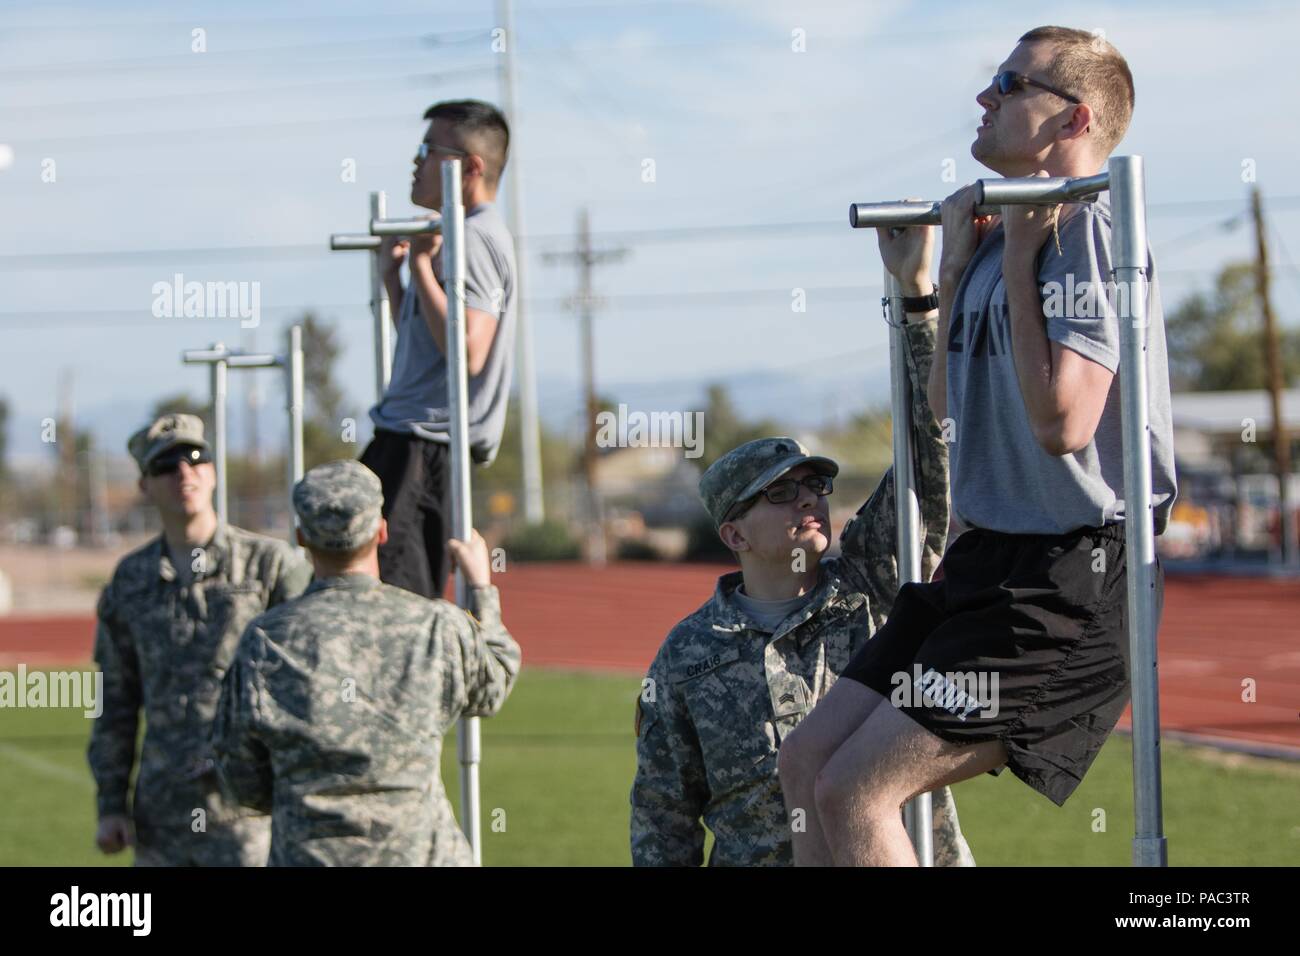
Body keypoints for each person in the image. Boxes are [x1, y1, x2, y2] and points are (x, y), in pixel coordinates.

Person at [778, 25, 1178, 866]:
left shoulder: (1087, 231)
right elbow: (944, 409)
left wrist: (1027, 260)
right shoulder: (1007, 236)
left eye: (1009, 82)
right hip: (985, 562)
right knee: (807, 763)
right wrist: (945, 275)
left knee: (858, 790)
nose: (984, 98)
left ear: (1074, 120)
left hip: (1067, 580)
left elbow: (1062, 423)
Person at [630, 308, 975, 866]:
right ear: (733, 532)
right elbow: (662, 814)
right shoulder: (688, 653)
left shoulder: (874, 587)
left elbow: (932, 451)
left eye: (815, 484)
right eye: (780, 492)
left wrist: (917, 310)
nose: (809, 498)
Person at [211, 460, 521, 866]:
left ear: (302, 537)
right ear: (382, 531)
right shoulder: (433, 625)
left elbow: (239, 777)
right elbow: (494, 680)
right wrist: (480, 588)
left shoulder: (266, 640)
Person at [88, 413, 312, 866]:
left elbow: (306, 683)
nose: (184, 473)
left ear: (212, 471)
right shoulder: (131, 580)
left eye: (196, 458)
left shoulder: (268, 566)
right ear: (145, 486)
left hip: (249, 813)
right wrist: (111, 803)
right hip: (162, 815)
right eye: (166, 466)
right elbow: (115, 699)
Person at [360, 99, 517, 600]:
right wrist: (396, 279)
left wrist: (423, 268)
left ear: (469, 168)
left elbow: (467, 351)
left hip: (423, 448)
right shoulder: (452, 236)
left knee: (396, 602)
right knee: (361, 587)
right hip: (404, 437)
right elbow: (430, 344)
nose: (415, 161)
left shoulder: (472, 238)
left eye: (428, 150)